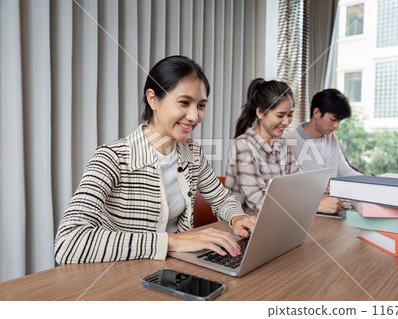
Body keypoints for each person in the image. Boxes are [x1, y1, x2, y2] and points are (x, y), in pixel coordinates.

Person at [54, 55, 255, 264]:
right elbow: (68, 243)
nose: (194, 116)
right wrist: (171, 242)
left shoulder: (192, 153)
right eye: (184, 103)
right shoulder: (111, 158)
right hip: (121, 275)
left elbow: (220, 198)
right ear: (153, 99)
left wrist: (236, 217)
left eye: (201, 105)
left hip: (175, 270)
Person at [225, 78, 299, 214]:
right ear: (260, 113)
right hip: (247, 225)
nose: (286, 121)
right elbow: (257, 201)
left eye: (290, 115)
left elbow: (297, 183)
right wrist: (306, 205)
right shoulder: (243, 145)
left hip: (279, 218)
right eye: (280, 115)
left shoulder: (282, 144)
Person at [284, 88, 362, 215]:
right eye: (333, 119)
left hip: (333, 210)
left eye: (339, 121)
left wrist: (372, 183)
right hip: (304, 212)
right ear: (317, 113)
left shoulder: (331, 138)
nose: (336, 126)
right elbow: (286, 191)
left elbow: (344, 171)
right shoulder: (288, 142)